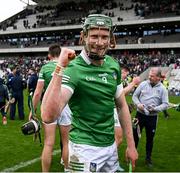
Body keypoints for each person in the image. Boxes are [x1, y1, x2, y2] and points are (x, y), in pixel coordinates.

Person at [41, 14, 138, 172]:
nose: (99, 43)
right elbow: (47, 116)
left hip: (110, 147)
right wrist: (59, 67)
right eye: (94, 36)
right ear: (83, 37)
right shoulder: (73, 69)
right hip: (83, 150)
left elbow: (122, 107)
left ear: (110, 39)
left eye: (104, 37)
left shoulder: (113, 65)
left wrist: (131, 146)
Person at [28, 44, 71, 172]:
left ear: (49, 55)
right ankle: (68, 169)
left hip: (50, 105)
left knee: (48, 143)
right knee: (66, 142)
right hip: (66, 106)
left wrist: (32, 110)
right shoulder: (69, 66)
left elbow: (37, 93)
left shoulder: (45, 67)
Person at [132, 67, 169, 167]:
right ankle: (132, 156)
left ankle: (148, 158)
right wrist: (138, 104)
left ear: (158, 77)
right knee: (135, 136)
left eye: (152, 76)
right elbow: (134, 96)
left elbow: (166, 104)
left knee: (150, 138)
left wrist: (155, 109)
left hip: (152, 118)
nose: (149, 77)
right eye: (149, 75)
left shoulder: (162, 89)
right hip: (139, 115)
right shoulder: (143, 84)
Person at [114, 65, 141, 147]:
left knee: (117, 138)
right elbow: (120, 94)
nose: (126, 76)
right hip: (110, 111)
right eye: (125, 74)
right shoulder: (114, 79)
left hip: (113, 109)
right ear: (122, 72)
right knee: (118, 138)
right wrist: (133, 83)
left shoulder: (120, 81)